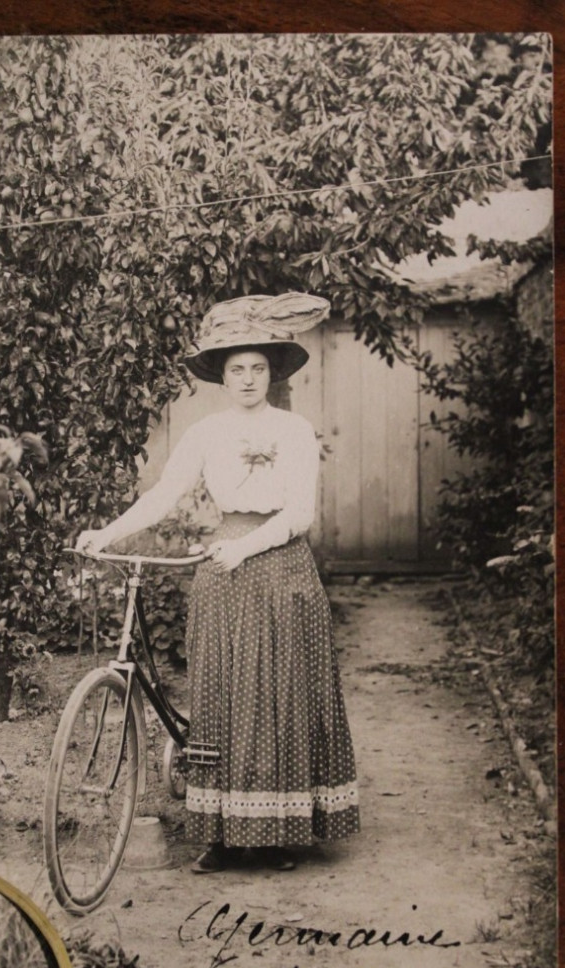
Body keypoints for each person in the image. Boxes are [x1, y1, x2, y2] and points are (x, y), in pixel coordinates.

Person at [76, 292, 360, 873]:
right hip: (222, 575)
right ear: (222, 377)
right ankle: (222, 834)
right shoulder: (205, 434)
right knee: (221, 698)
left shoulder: (295, 429)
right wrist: (107, 533)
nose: (248, 379)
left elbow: (299, 514)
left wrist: (243, 548)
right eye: (237, 370)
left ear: (273, 373)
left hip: (280, 570)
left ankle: (277, 831)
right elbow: (162, 496)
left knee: (278, 695)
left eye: (258, 368)